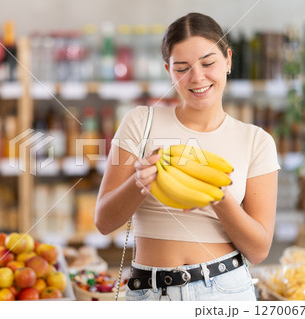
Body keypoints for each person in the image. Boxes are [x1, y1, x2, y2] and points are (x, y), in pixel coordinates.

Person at [94, 12, 280, 301]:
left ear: (228, 60)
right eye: (182, 68)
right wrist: (138, 184)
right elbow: (104, 222)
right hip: (149, 292)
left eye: (208, 63)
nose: (197, 77)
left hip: (225, 290)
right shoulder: (141, 122)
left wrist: (219, 197)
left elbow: (258, 250)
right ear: (168, 69)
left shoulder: (257, 141)